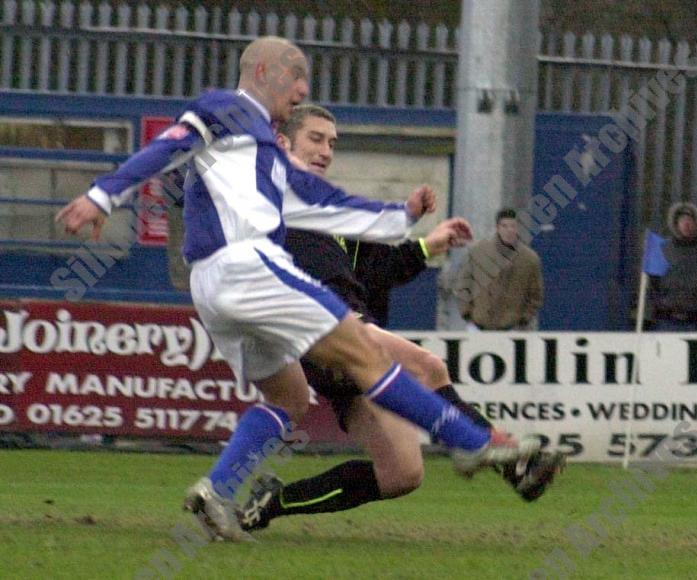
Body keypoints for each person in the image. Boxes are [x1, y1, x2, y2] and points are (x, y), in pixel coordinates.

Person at [55, 36, 539, 542]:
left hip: (212, 287)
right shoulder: (225, 108)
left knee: (288, 396)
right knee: (364, 354)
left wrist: (402, 218)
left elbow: (319, 202)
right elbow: (169, 146)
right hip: (245, 265)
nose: (301, 89)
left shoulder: (260, 154)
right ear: (262, 70)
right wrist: (101, 196)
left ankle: (217, 492)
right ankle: (474, 443)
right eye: (295, 78)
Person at [237, 105, 565, 532]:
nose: (325, 150)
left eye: (332, 142)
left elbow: (375, 272)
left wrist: (428, 245)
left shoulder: (331, 211)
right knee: (429, 367)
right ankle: (506, 461)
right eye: (315, 139)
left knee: (401, 474)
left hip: (349, 339)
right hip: (320, 329)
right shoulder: (270, 198)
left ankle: (272, 503)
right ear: (283, 143)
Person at [454, 208, 544, 331]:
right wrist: (467, 314)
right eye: (504, 226)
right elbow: (463, 284)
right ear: (497, 228)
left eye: (513, 226)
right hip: (478, 326)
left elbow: (535, 295)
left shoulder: (529, 259)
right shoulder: (478, 253)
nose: (509, 230)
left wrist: (524, 319)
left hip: (513, 328)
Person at [650, 202, 697, 331]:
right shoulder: (662, 250)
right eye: (682, 220)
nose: (686, 224)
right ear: (675, 224)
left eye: (690, 220)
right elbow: (653, 286)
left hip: (696, 321)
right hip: (666, 321)